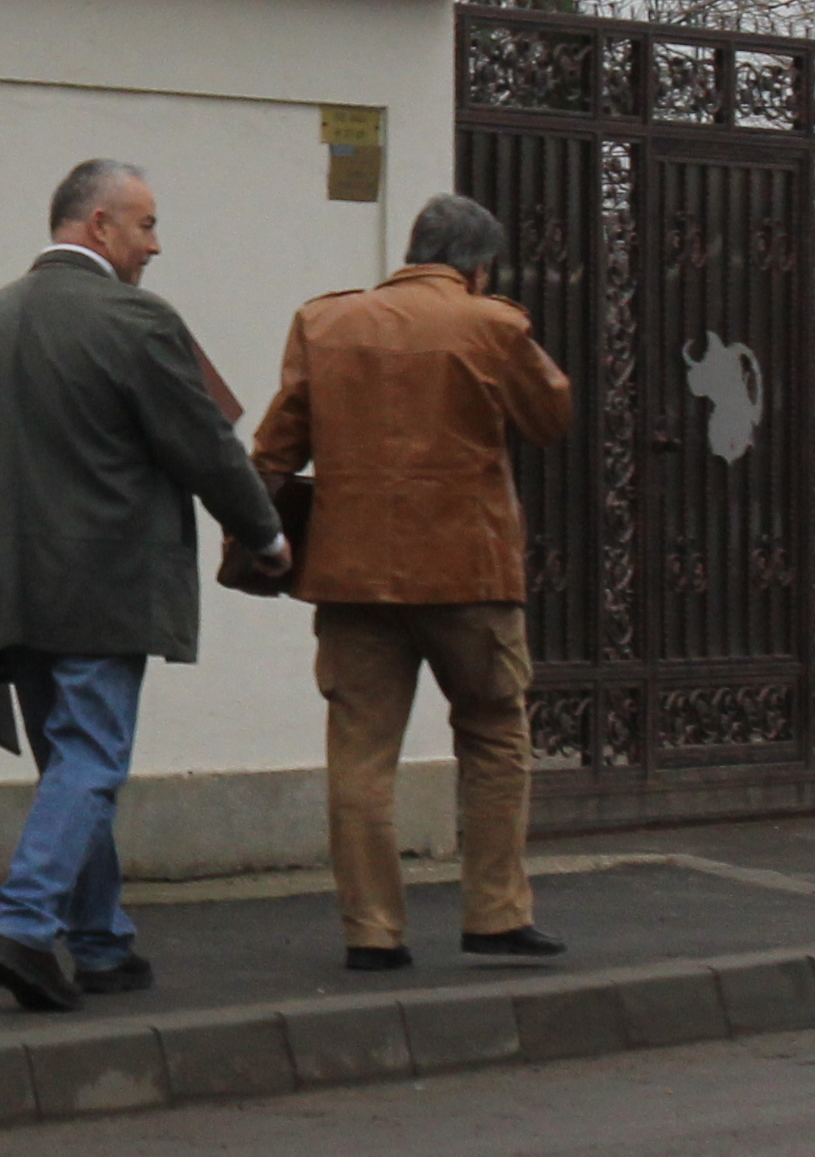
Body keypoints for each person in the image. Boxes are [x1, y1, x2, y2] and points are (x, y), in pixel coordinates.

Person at [0, 159, 286, 1014]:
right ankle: (22, 922)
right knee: (91, 756)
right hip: (105, 582)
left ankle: (100, 941)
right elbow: (203, 445)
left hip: (4, 586)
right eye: (145, 225)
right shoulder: (137, 322)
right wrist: (264, 531)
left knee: (67, 760)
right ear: (96, 226)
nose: (155, 246)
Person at [248, 188, 578, 973]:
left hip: (353, 579)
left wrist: (257, 536)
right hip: (471, 576)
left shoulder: (325, 323)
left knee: (361, 754)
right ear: (479, 264)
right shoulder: (493, 324)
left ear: (412, 248)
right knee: (495, 734)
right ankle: (495, 914)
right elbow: (552, 417)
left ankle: (372, 932)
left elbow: (274, 449)